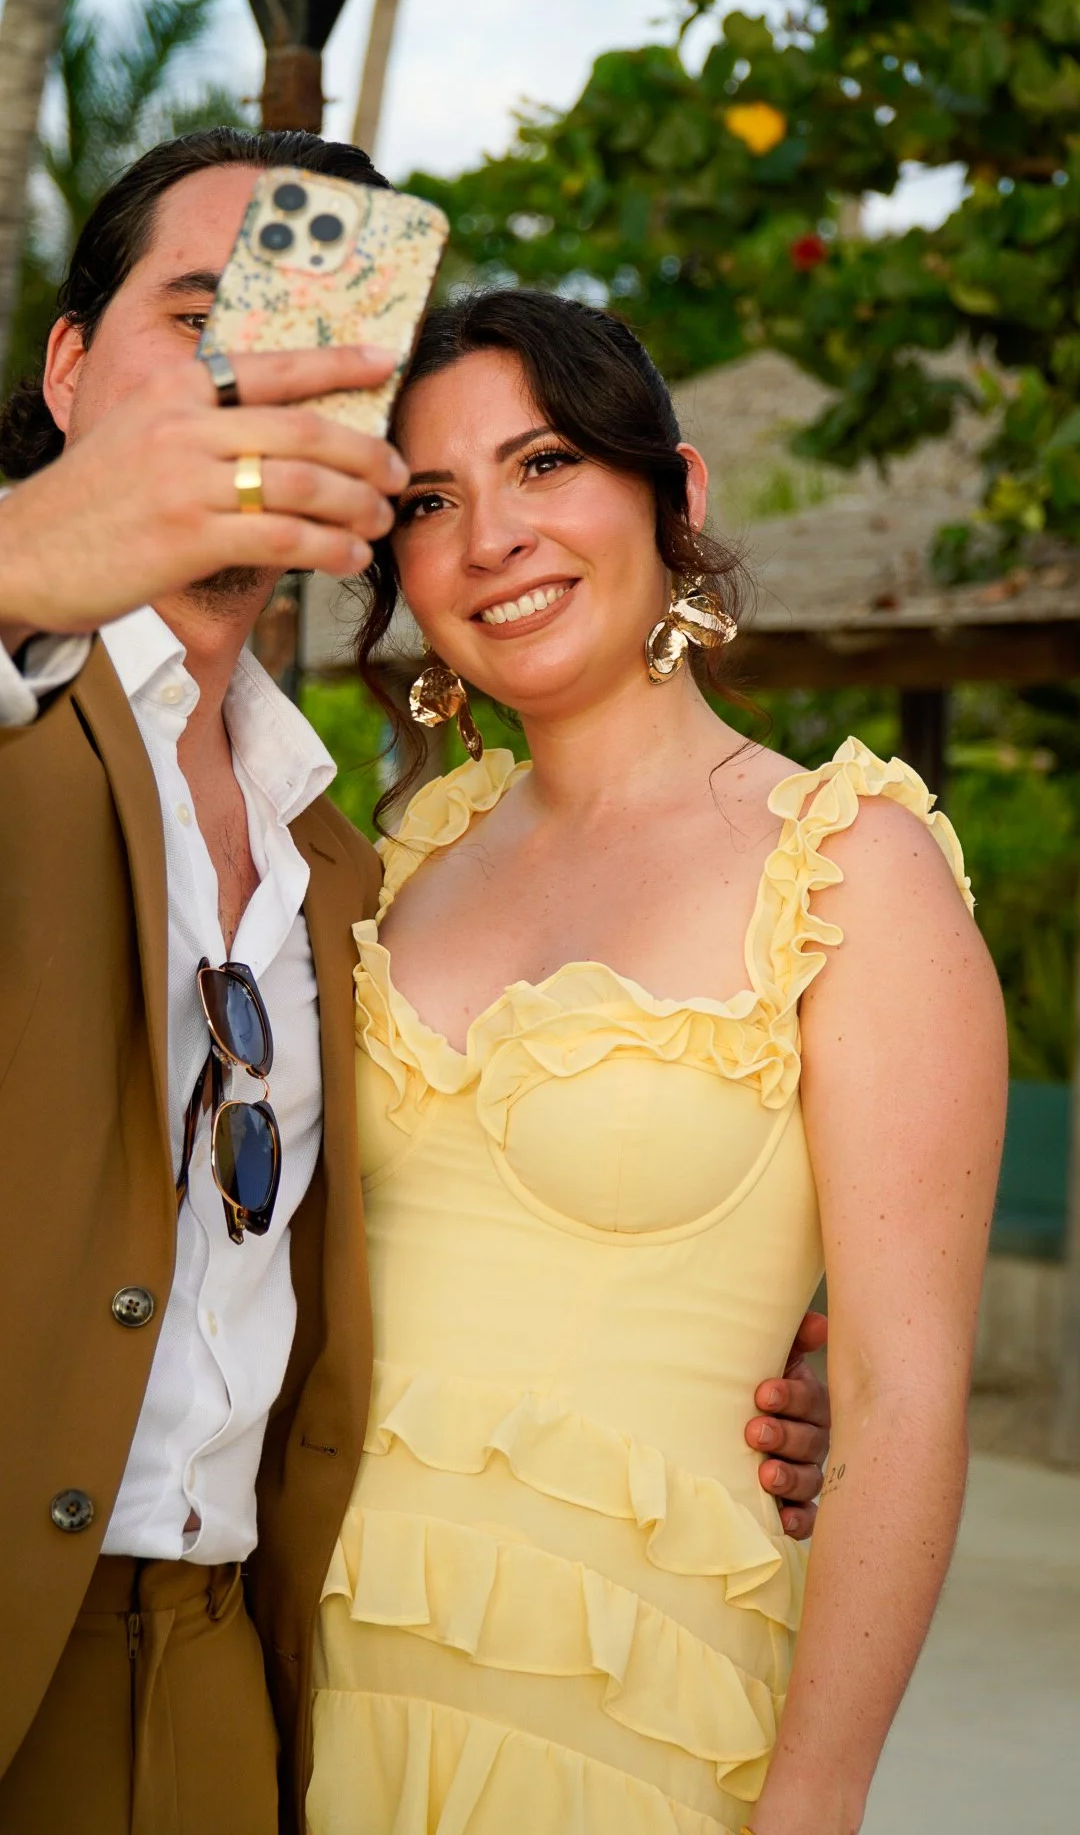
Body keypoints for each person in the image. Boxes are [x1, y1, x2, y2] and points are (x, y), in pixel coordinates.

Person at [0, 131, 828, 1835]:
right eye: (195, 327)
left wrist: (731, 1349)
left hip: (243, 1678)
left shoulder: (346, 867)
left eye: (312, 356)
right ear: (69, 370)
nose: (248, 386)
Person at [306, 288, 1008, 1835]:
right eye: (430, 499)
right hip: (311, 1703)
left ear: (674, 494)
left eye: (545, 464)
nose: (492, 538)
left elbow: (897, 1395)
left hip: (635, 1733)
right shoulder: (398, 865)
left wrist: (815, 1803)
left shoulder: (852, 869)